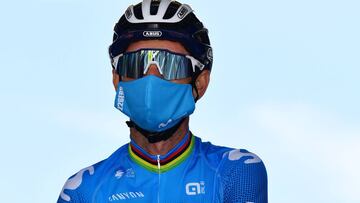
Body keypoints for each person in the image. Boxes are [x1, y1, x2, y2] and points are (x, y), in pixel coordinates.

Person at [57, 0, 267, 202]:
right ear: (117, 80)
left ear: (200, 84)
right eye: (136, 64)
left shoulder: (235, 171)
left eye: (171, 65)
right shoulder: (82, 191)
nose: (152, 78)